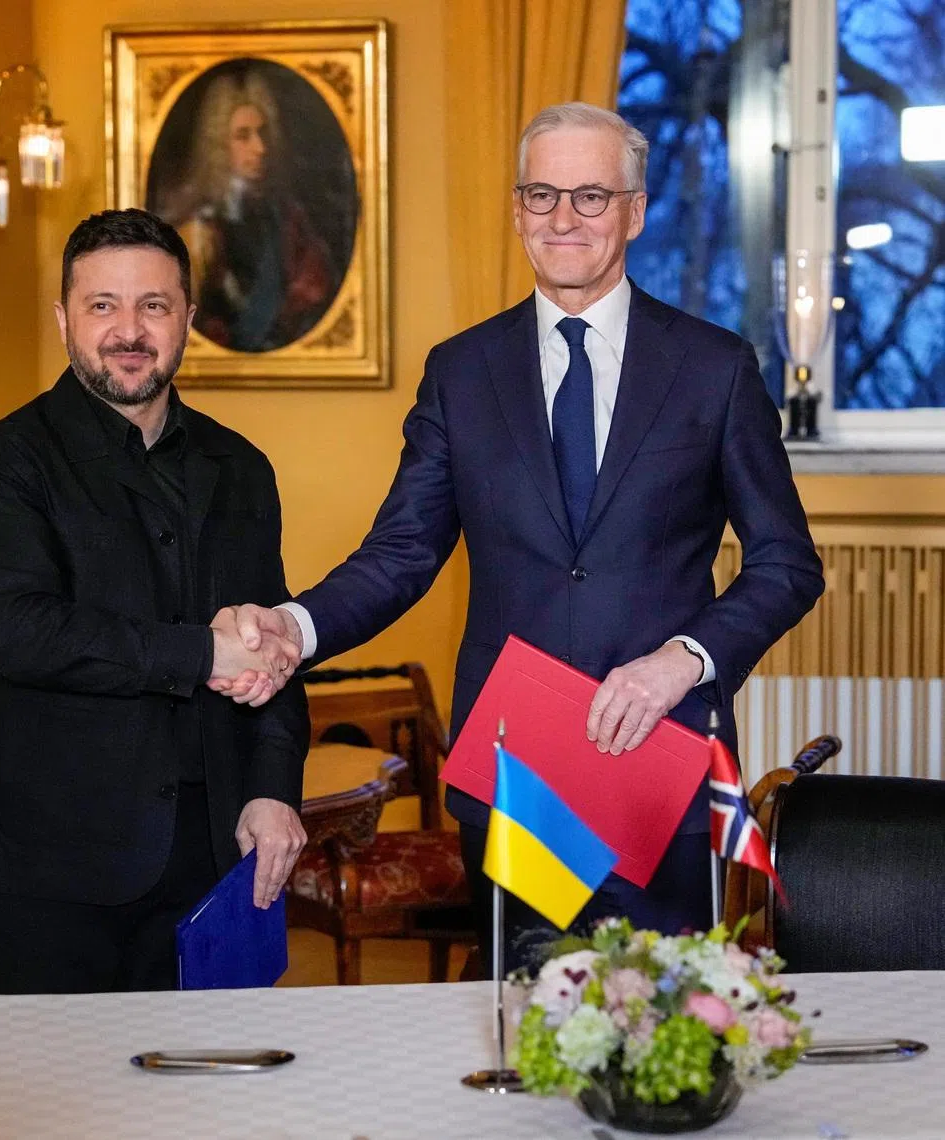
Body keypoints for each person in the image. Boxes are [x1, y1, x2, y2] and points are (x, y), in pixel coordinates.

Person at [212, 103, 824, 974]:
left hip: (660, 761)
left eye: (589, 195)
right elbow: (402, 553)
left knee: (666, 1031)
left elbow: (786, 563)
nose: (563, 217)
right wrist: (295, 627)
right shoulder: (462, 371)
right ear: (516, 209)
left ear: (636, 211)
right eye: (543, 194)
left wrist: (684, 658)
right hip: (517, 774)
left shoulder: (714, 367)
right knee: (525, 1025)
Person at [0, 207, 309, 994]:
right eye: (101, 305)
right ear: (64, 319)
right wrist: (207, 650)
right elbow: (29, 634)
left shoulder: (241, 467)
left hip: (213, 861)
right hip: (50, 877)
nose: (128, 330)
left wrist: (275, 792)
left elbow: (274, 644)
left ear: (187, 317)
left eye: (153, 305)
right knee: (43, 1116)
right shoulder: (4, 464)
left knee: (208, 1112)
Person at [154, 66, 336, 353]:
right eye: (243, 136)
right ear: (218, 145)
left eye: (263, 133)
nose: (260, 148)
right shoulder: (194, 232)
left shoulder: (288, 218)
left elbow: (315, 291)